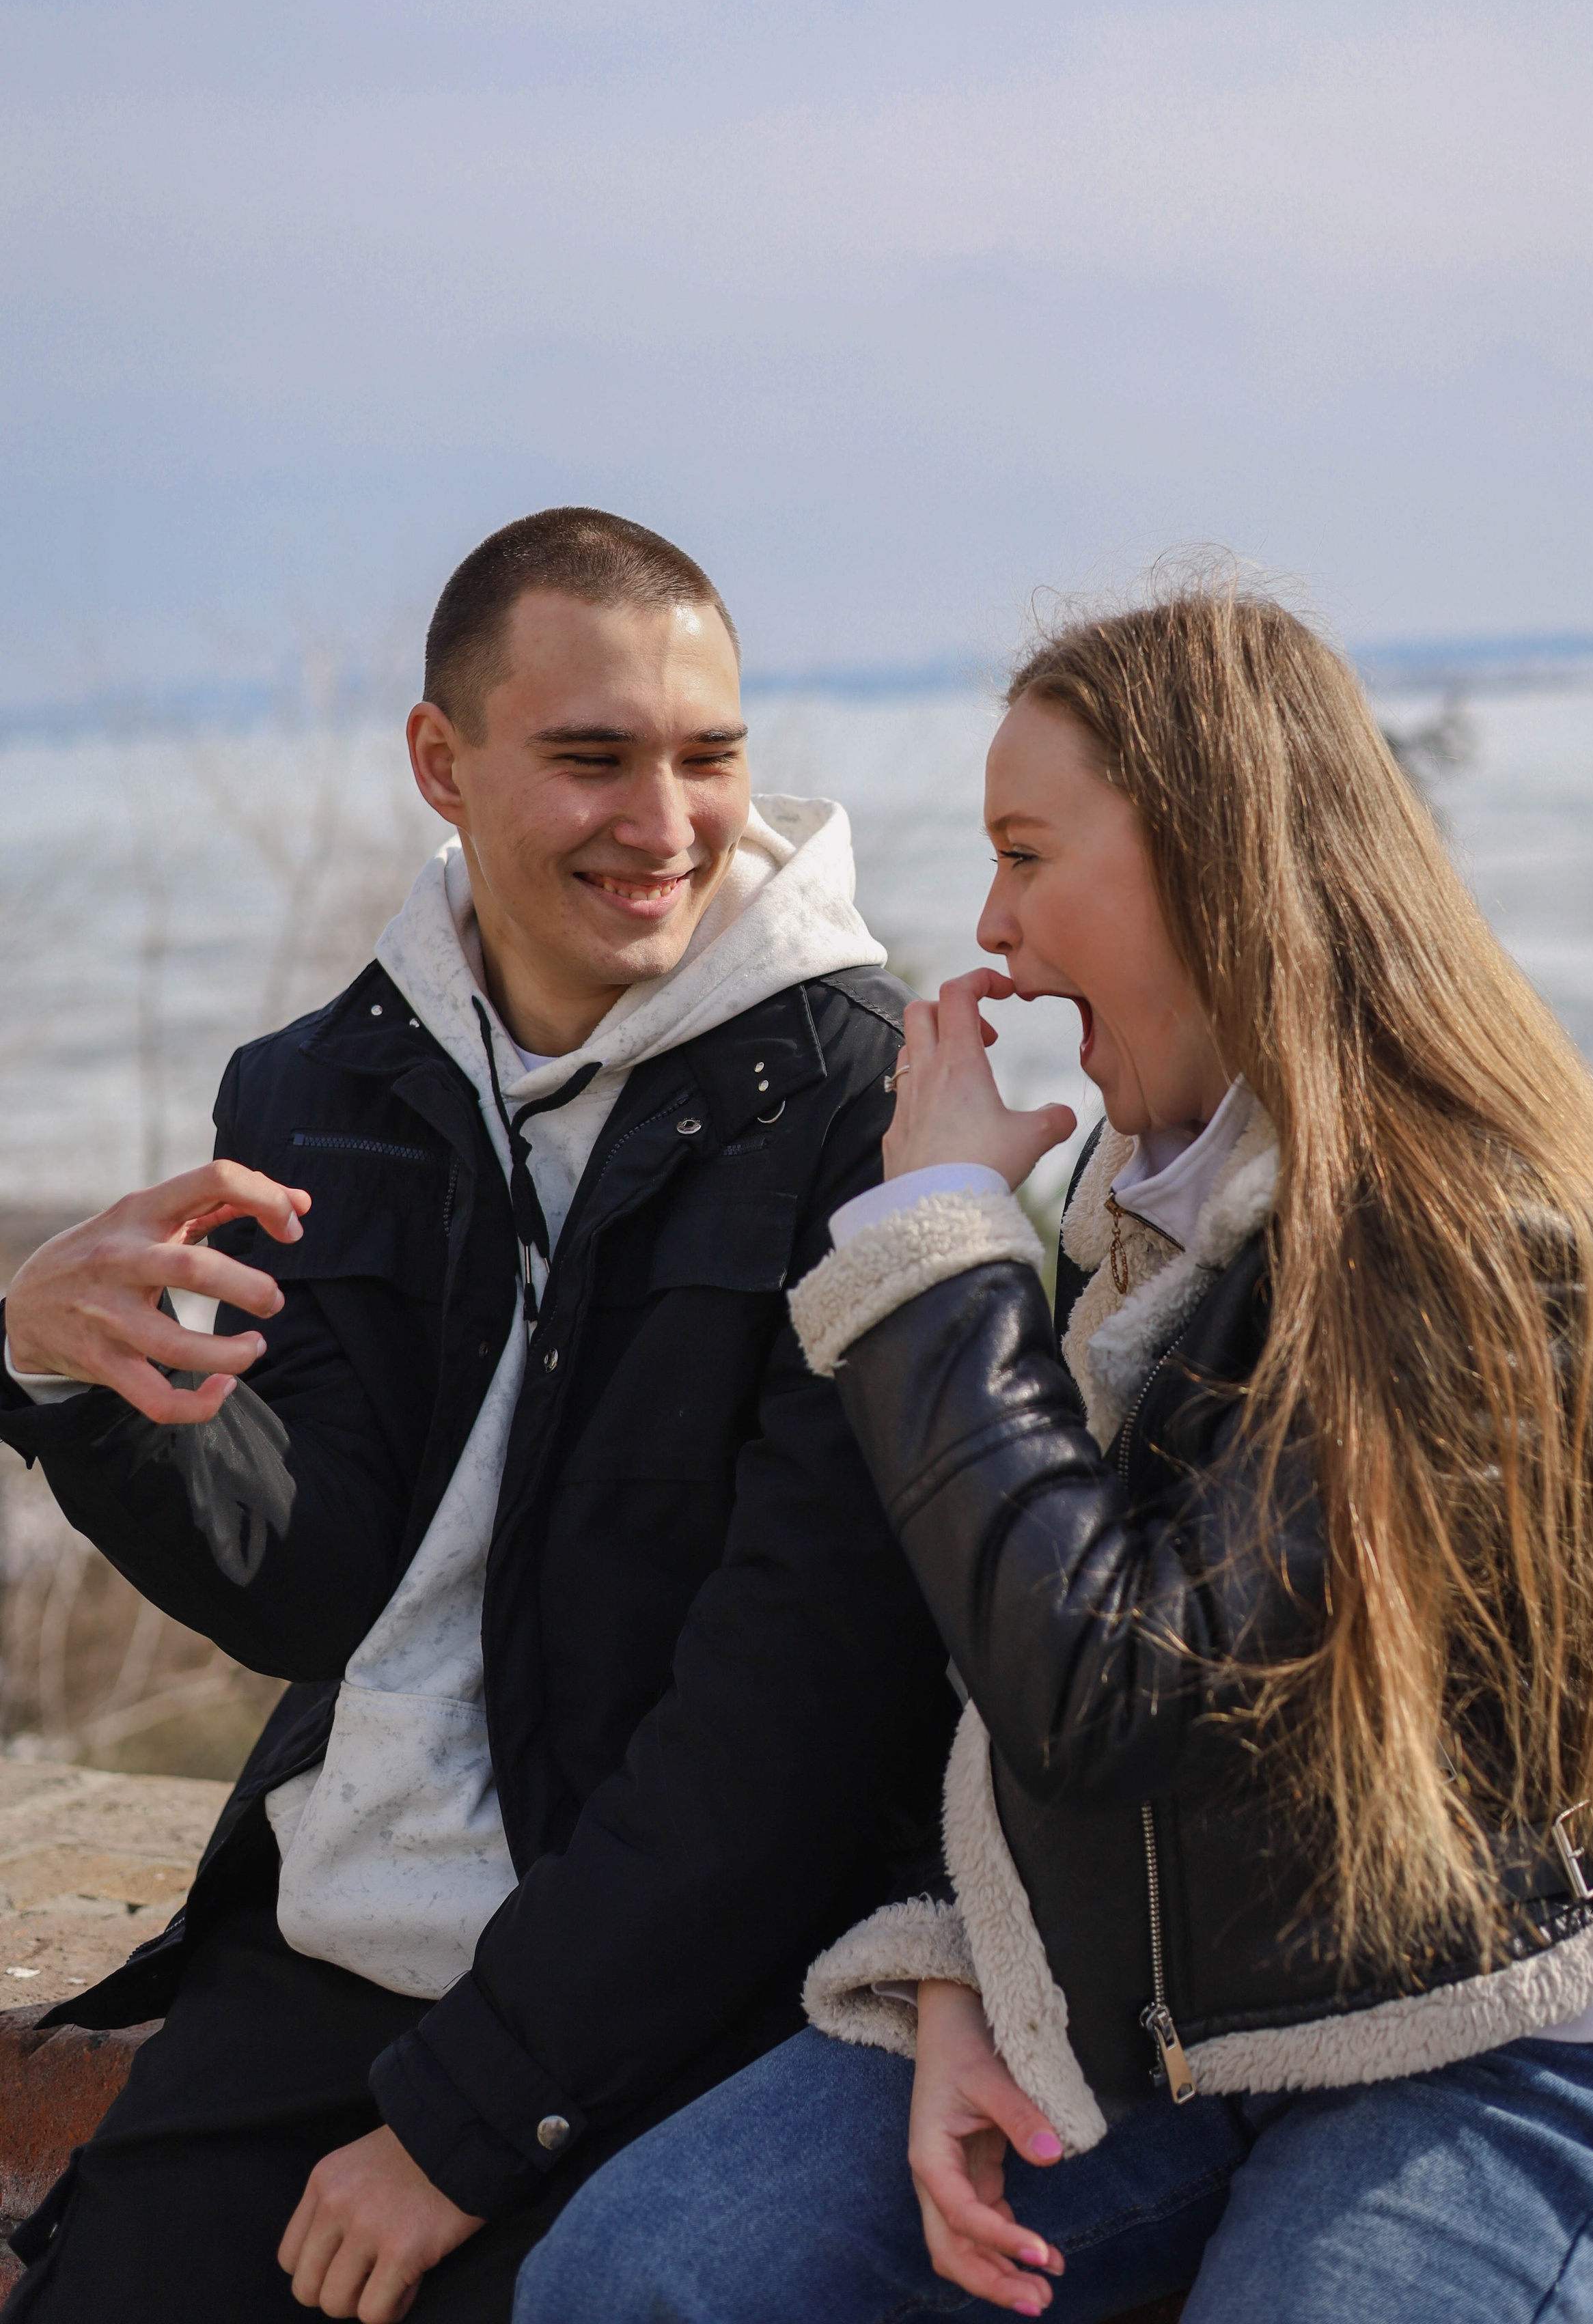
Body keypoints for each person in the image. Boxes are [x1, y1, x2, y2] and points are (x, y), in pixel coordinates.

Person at [516, 582, 1593, 2324]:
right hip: (1198, 2011)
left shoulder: (1477, 1244)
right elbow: (1020, 1678)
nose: (991, 930)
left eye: (1026, 855)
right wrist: (960, 1971)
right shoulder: (1158, 1192)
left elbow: (1113, 1680)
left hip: (1511, 2035)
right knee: (643, 2282)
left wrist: (938, 1247)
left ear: (1208, 861)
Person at [0, 507, 954, 2323]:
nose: (664, 824)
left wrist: (464, 2120)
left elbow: (786, 1725)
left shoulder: (858, 1105)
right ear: (441, 763)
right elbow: (317, 1590)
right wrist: (74, 1384)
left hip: (671, 1996)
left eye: (709, 757)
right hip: (325, 1950)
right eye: (592, 759)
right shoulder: (314, 1086)